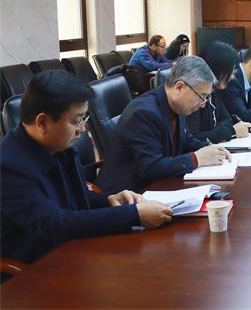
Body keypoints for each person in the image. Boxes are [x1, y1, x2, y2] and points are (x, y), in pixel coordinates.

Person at [0, 71, 172, 267]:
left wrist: (110, 200)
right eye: (76, 121)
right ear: (42, 123)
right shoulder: (9, 167)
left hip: (72, 250)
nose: (83, 129)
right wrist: (135, 215)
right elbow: (55, 223)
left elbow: (75, 197)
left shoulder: (59, 147)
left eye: (84, 119)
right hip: (34, 269)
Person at [97, 56, 230, 192]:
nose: (203, 104)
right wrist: (197, 158)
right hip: (127, 195)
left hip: (158, 186)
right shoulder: (144, 113)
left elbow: (186, 140)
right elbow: (151, 168)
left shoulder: (176, 104)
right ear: (179, 87)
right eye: (202, 97)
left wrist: (211, 150)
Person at [186, 42, 251, 144]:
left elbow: (227, 119)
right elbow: (193, 138)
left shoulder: (214, 92)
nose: (232, 77)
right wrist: (231, 131)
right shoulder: (194, 95)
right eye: (231, 73)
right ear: (218, 70)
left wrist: (218, 132)